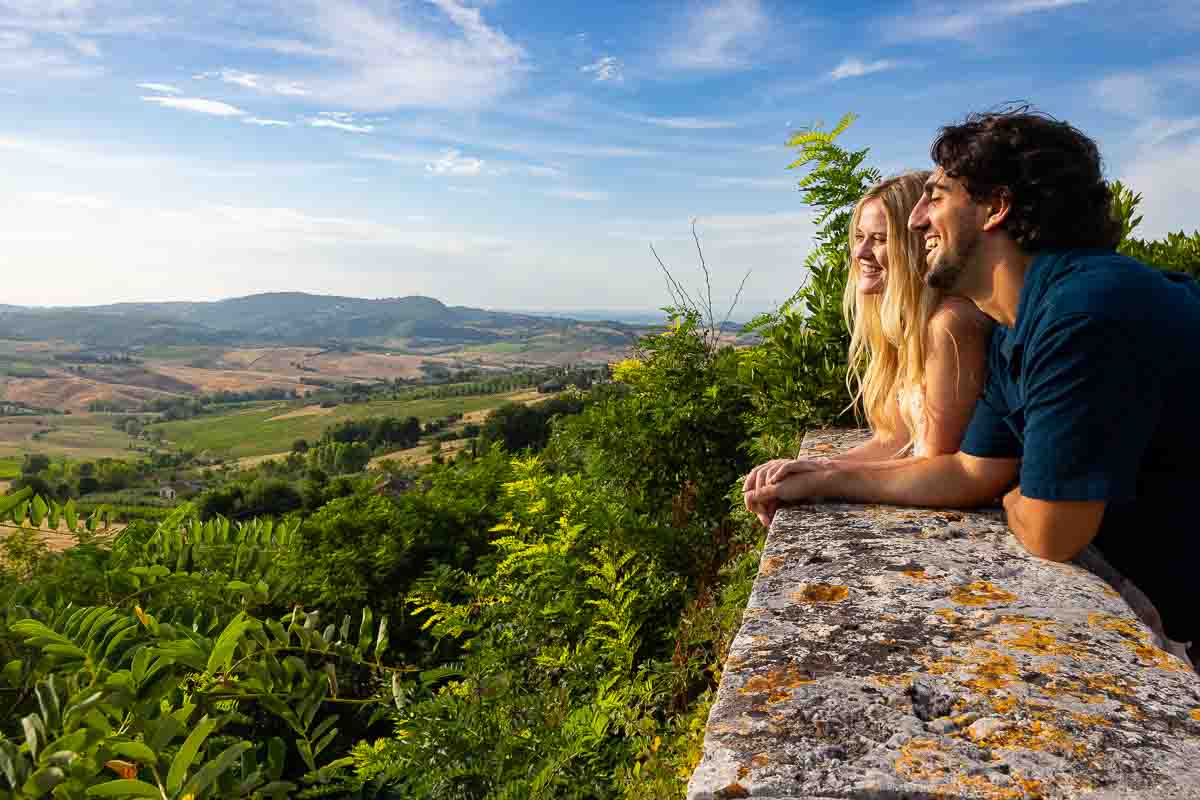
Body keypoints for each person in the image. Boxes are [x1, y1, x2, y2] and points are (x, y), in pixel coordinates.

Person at [744, 109, 1200, 664]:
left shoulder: (1083, 311)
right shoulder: (1018, 328)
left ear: (996, 208)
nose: (916, 220)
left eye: (935, 197)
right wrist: (824, 479)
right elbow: (968, 470)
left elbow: (1053, 531)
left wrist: (1017, 498)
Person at [747, 172, 991, 526]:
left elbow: (937, 465)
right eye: (859, 237)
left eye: (879, 239)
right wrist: (805, 471)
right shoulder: (907, 328)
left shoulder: (950, 324)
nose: (861, 252)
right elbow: (895, 440)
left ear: (918, 244)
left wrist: (827, 478)